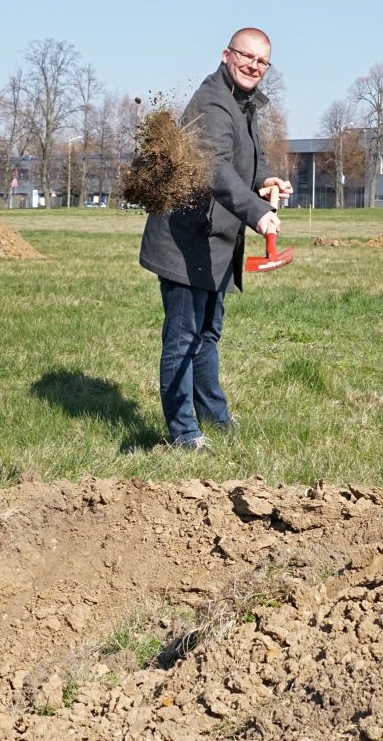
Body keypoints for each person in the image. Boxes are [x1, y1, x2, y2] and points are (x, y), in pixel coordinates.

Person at [138, 28, 292, 451]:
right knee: (184, 337)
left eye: (262, 62)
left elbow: (240, 163)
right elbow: (215, 171)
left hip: (213, 241)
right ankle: (184, 433)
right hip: (185, 241)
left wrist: (264, 182)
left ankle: (214, 416)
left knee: (208, 334)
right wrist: (258, 214)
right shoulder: (212, 103)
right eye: (247, 57)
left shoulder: (244, 104)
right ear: (227, 54)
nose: (254, 66)